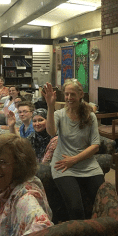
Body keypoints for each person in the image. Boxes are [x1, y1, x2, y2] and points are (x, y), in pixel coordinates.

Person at [42, 79, 102, 220]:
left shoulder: (90, 116)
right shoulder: (59, 115)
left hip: (86, 164)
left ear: (81, 94)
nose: (69, 98)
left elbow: (95, 146)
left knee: (101, 200)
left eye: (72, 94)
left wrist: (74, 160)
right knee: (75, 208)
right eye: (66, 94)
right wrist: (50, 106)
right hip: (63, 165)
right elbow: (51, 132)